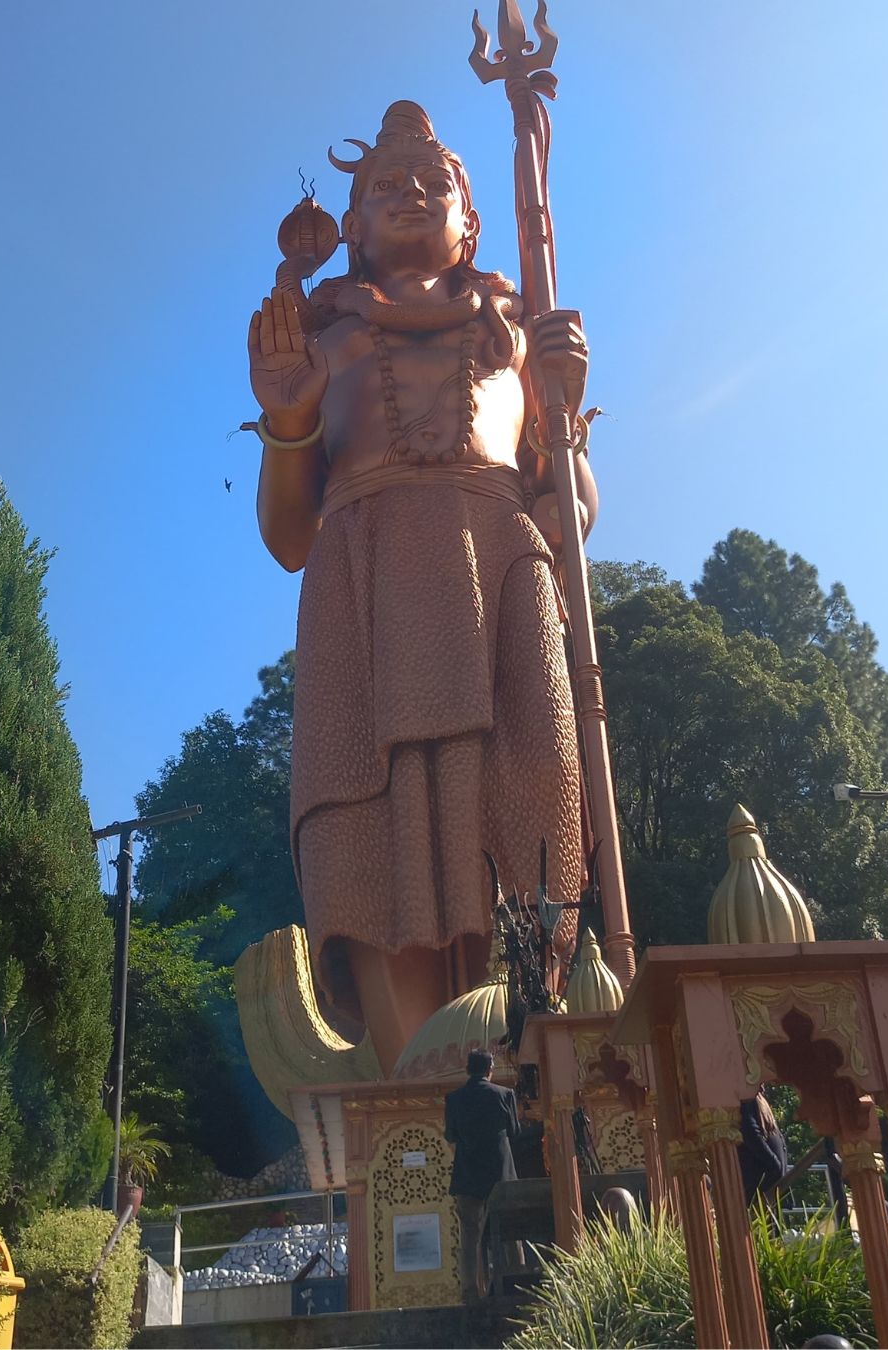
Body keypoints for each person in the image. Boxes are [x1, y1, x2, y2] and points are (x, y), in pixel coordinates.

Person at [249, 101, 592, 1075]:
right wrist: (286, 423)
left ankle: (533, 1074)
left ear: (471, 223)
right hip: (367, 579)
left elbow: (572, 520)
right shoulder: (318, 336)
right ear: (348, 229)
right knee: (373, 833)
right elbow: (285, 537)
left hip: (505, 577)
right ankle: (418, 1097)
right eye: (382, 189)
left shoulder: (518, 334)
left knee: (534, 799)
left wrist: (564, 416)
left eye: (430, 184)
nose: (407, 196)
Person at [444, 1050, 520, 1302]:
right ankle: (515, 1283)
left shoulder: (454, 1099)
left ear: (468, 1069)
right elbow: (515, 1131)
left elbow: (451, 1136)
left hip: (468, 1174)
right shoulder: (505, 1095)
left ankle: (470, 1291)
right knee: (510, 1231)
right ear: (490, 1069)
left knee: (470, 1236)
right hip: (500, 1174)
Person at [739, 1091, 788, 1205]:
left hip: (774, 1183)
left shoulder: (758, 1099)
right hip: (761, 1183)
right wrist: (774, 1164)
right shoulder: (746, 1098)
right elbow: (751, 1132)